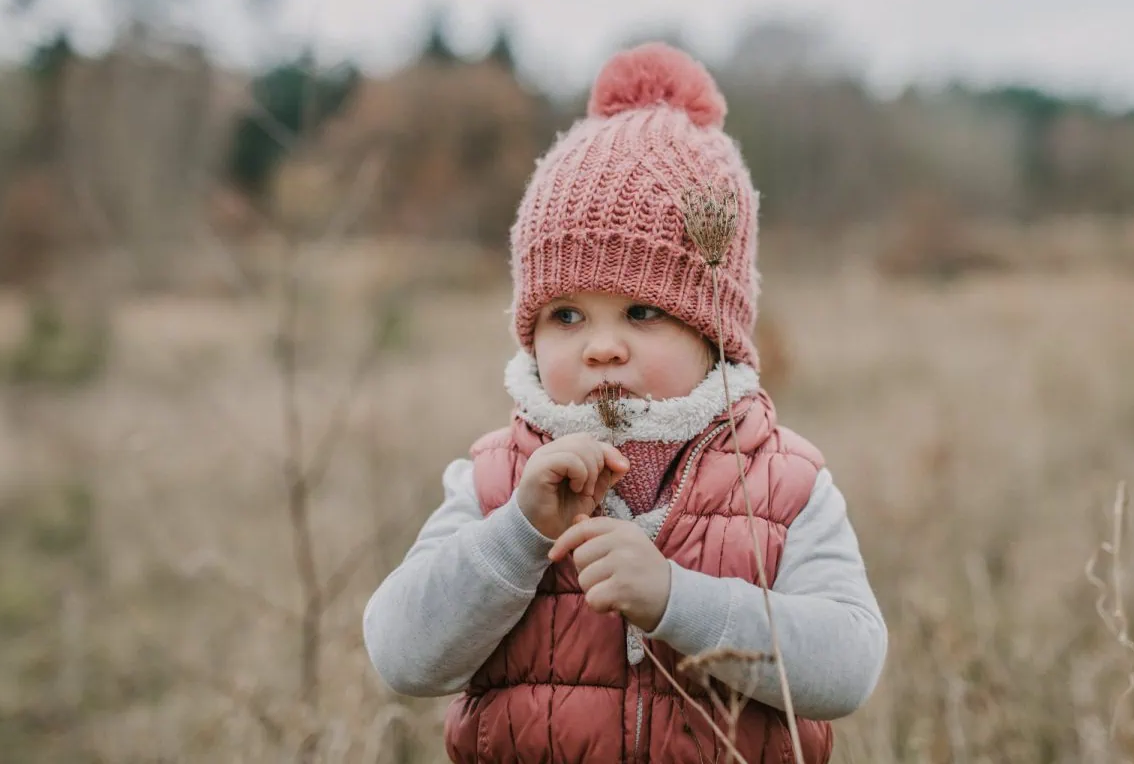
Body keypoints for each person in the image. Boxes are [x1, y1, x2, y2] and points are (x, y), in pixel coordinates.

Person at [362, 41, 887, 763]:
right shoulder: (496, 480)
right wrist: (519, 532)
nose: (601, 347)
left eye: (642, 312)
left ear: (713, 327)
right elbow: (402, 655)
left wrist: (677, 599)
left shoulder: (782, 483)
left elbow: (848, 666)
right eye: (567, 316)